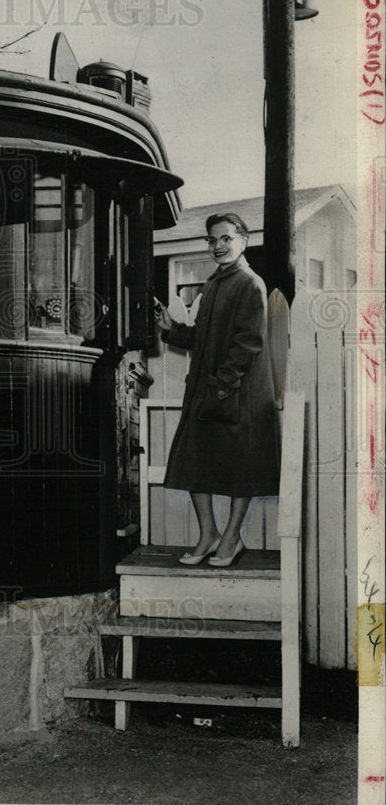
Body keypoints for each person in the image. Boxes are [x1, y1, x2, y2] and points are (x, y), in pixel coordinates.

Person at [155, 212, 279, 566]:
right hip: (212, 388)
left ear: (243, 239)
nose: (218, 246)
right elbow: (204, 338)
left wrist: (221, 387)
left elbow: (248, 344)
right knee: (194, 461)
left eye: (226, 238)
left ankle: (231, 538)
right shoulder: (214, 284)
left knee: (242, 468)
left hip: (240, 393)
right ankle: (208, 534)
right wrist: (173, 328)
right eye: (212, 240)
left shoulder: (249, 283)